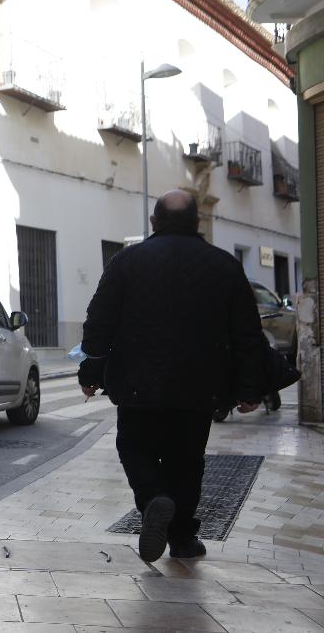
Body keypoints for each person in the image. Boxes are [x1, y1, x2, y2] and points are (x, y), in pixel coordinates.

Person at [78, 190, 265, 561]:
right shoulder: (224, 265)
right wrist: (250, 386)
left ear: (154, 222)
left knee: (134, 447)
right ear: (198, 223)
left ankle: (153, 500)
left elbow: (99, 322)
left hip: (136, 384)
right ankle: (181, 539)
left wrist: (92, 371)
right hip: (199, 386)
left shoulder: (127, 262)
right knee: (187, 460)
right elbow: (246, 332)